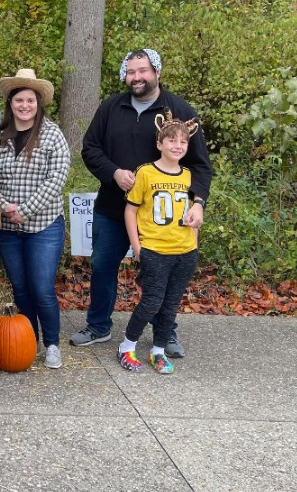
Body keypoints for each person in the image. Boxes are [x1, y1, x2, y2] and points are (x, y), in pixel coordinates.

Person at [75, 49, 213, 358]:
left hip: (165, 218)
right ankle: (98, 326)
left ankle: (166, 333)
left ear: (157, 72)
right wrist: (113, 173)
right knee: (102, 266)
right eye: (131, 72)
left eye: (143, 71)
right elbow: (90, 148)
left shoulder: (179, 112)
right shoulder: (111, 107)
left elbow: (201, 165)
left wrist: (199, 203)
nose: (137, 77)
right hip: (114, 207)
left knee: (165, 277)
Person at [0, 69, 70, 369]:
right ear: (10, 103)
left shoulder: (52, 135)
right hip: (7, 227)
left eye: (30, 100)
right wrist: (5, 206)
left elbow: (57, 178)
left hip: (44, 225)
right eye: (19, 100)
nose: (24, 105)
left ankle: (51, 343)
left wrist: (26, 209)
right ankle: (28, 339)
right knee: (20, 287)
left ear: (38, 103)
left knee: (42, 287)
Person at [119, 110, 202, 374]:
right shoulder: (145, 173)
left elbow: (195, 215)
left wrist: (194, 245)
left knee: (170, 304)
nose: (177, 146)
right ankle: (127, 345)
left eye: (183, 142)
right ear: (159, 144)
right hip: (155, 249)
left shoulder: (190, 177)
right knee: (152, 302)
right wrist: (137, 245)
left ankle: (158, 350)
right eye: (171, 141)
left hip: (185, 251)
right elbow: (130, 210)